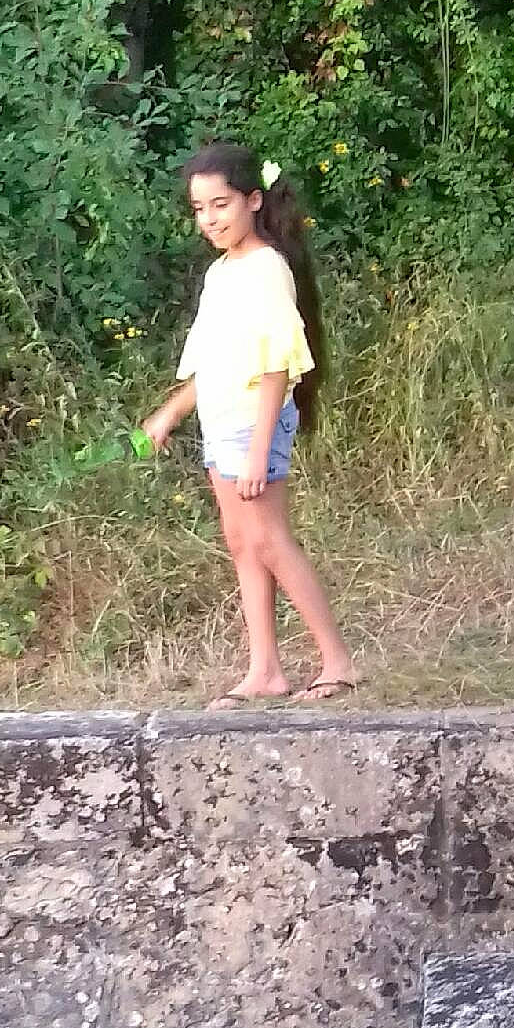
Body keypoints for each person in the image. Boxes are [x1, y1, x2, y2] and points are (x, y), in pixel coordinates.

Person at [142, 141, 358, 710]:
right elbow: (215, 361)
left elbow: (275, 364)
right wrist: (170, 413)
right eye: (199, 208)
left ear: (253, 201)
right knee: (242, 542)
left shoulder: (267, 269)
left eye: (221, 204)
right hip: (223, 419)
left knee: (271, 540)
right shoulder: (222, 273)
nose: (210, 218)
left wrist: (261, 449)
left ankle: (337, 661)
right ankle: (265, 669)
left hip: (253, 425)